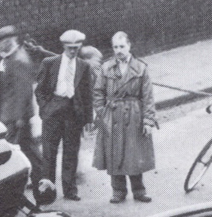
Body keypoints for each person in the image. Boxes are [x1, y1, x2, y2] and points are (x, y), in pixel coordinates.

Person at [93, 31, 157, 203]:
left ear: (129, 46)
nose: (119, 50)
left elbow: (148, 97)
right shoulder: (106, 68)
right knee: (114, 153)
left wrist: (148, 120)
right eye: (115, 47)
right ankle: (118, 191)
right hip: (112, 115)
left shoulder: (141, 68)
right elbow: (98, 92)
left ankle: (139, 190)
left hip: (134, 114)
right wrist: (101, 112)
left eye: (122, 46)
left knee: (134, 153)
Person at [0, 25, 49, 203]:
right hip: (13, 118)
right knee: (31, 155)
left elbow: (23, 92)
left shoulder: (18, 60)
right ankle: (42, 191)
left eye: (0, 43)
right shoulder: (13, 59)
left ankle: (34, 192)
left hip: (15, 119)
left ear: (8, 41)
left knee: (13, 156)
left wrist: (19, 119)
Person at [35, 29, 94, 201]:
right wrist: (45, 108)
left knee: (71, 152)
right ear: (63, 46)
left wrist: (88, 119)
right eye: (70, 47)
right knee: (49, 153)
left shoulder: (83, 66)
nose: (73, 51)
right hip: (53, 111)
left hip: (73, 113)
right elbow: (40, 90)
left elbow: (87, 94)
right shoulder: (50, 63)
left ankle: (70, 190)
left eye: (76, 47)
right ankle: (47, 191)